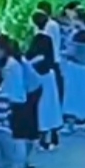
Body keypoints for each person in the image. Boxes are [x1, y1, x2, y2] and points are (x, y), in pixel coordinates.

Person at [0, 34, 36, 168]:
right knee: (18, 136)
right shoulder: (15, 62)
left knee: (17, 136)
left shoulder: (9, 65)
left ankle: (17, 164)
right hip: (18, 100)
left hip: (13, 102)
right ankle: (20, 163)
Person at [27, 13, 64, 149]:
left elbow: (33, 57)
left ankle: (43, 136)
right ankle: (53, 134)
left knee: (42, 107)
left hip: (40, 76)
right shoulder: (48, 39)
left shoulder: (37, 39)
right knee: (52, 105)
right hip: (49, 74)